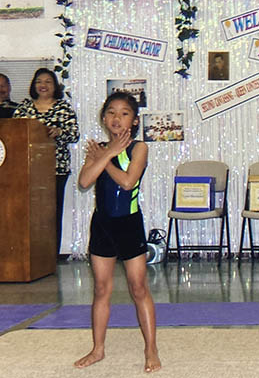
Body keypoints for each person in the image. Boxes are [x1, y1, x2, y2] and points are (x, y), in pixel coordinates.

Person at [75, 92, 160, 373]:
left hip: (128, 224)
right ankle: (97, 349)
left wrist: (107, 157)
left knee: (138, 288)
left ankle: (151, 349)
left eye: (124, 113)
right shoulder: (100, 148)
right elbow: (85, 181)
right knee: (101, 289)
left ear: (134, 121)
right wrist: (106, 153)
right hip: (102, 225)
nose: (116, 118)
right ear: (103, 118)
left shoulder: (139, 148)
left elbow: (127, 182)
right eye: (111, 112)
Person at [13, 68, 79, 257]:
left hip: (56, 168)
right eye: (39, 82)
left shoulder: (63, 108)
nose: (43, 85)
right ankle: (30, 254)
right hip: (28, 168)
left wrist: (59, 132)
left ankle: (51, 255)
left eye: (48, 82)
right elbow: (14, 133)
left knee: (52, 213)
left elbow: (74, 135)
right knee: (30, 213)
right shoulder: (24, 107)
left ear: (55, 86)